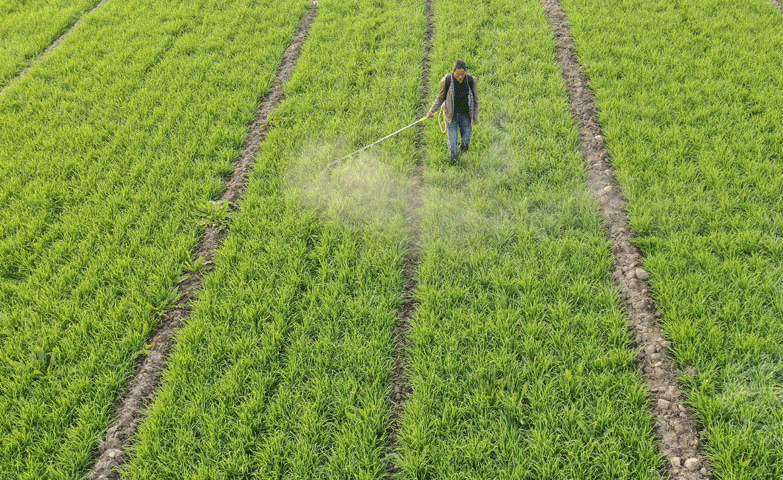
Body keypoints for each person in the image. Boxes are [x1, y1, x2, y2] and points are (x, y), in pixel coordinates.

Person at [426, 59, 479, 165]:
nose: (460, 77)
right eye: (458, 74)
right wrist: (431, 111)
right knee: (452, 141)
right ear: (453, 71)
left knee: (466, 138)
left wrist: (475, 116)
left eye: (462, 74)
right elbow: (440, 98)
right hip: (451, 115)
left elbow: (476, 100)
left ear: (465, 72)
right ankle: (455, 162)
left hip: (465, 115)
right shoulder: (447, 80)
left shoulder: (471, 80)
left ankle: (464, 153)